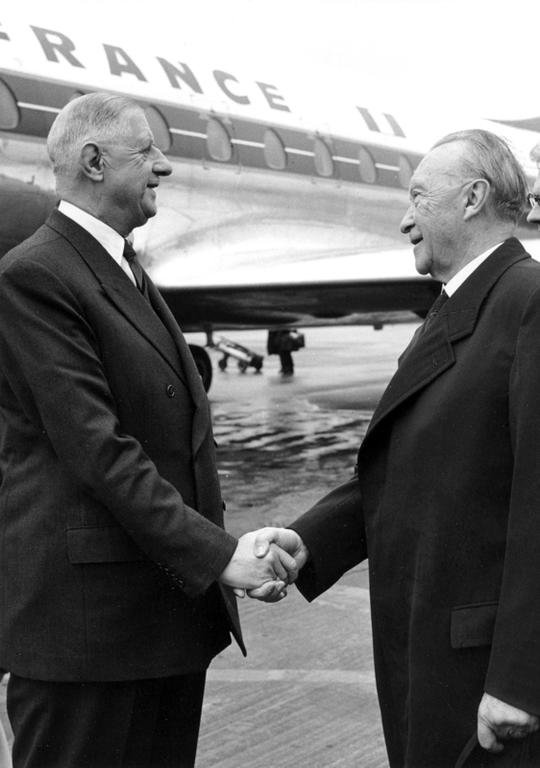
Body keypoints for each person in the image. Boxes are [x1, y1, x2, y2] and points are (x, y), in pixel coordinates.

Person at [0, 92, 296, 768]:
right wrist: (222, 556)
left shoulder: (121, 267)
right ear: (95, 162)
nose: (163, 167)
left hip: (156, 625)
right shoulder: (35, 275)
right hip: (88, 640)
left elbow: (175, 437)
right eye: (148, 153)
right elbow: (99, 450)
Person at [251, 129, 540, 767]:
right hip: (433, 652)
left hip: (486, 676)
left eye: (417, 197)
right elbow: (414, 461)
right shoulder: (459, 307)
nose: (405, 219)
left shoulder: (527, 303)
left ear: (472, 198)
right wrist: (314, 539)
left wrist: (521, 680)